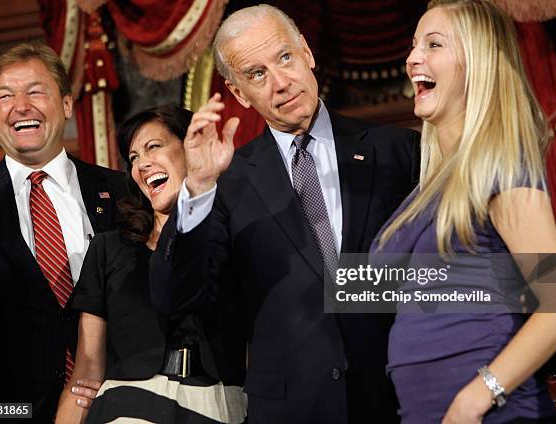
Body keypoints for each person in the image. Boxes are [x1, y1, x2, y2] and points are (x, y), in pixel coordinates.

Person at [149, 5, 420, 423]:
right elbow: (175, 297)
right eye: (256, 74)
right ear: (239, 93)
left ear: (307, 52)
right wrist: (198, 187)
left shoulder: (399, 151)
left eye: (284, 58)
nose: (280, 83)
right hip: (291, 407)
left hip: (396, 396)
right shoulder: (225, 183)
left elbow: (446, 273)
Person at [371, 0, 556, 422]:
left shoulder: (502, 168)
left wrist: (478, 395)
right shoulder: (429, 190)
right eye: (413, 45)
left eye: (434, 44)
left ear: (476, 64)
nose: (412, 58)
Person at [0, 42, 126, 422]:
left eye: (35, 91)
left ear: (67, 105)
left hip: (119, 406)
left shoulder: (122, 193)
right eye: (4, 96)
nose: (21, 105)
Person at [54, 105, 247, 424]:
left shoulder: (236, 236)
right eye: (133, 158)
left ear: (191, 148)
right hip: (126, 408)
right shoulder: (108, 248)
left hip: (219, 406)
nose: (142, 164)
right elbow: (86, 373)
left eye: (153, 147)